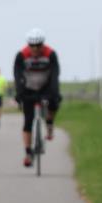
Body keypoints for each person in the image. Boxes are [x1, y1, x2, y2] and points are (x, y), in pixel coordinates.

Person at [14, 28, 61, 167]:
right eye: (32, 45)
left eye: (38, 45)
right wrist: (19, 93)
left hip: (45, 86)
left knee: (54, 101)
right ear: (28, 44)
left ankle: (50, 123)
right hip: (28, 88)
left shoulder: (50, 54)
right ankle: (28, 153)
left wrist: (54, 93)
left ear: (43, 44)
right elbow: (17, 76)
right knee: (28, 121)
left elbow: (54, 75)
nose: (35, 48)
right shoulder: (21, 55)